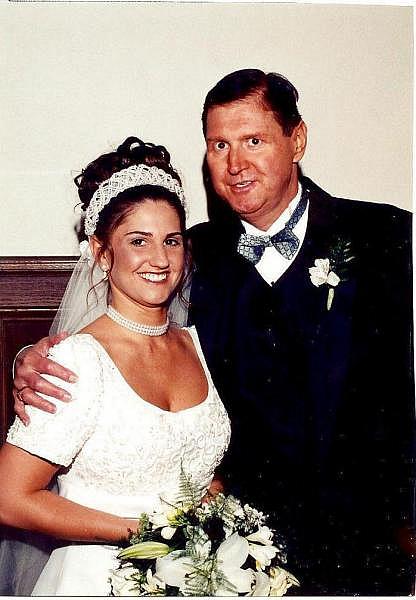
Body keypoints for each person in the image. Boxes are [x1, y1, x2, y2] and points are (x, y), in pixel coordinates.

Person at [11, 69, 415, 595]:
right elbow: (129, 340)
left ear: (298, 140)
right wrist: (30, 356)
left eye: (253, 140)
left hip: (373, 553)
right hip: (236, 561)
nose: (235, 163)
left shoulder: (388, 239)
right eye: (219, 144)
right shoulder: (190, 254)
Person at [0, 136, 230, 596]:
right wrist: (143, 535)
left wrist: (215, 512)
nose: (160, 259)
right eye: (138, 241)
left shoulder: (198, 342)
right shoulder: (76, 360)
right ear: (102, 254)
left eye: (172, 241)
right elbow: (10, 498)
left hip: (200, 576)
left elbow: (196, 463)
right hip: (99, 579)